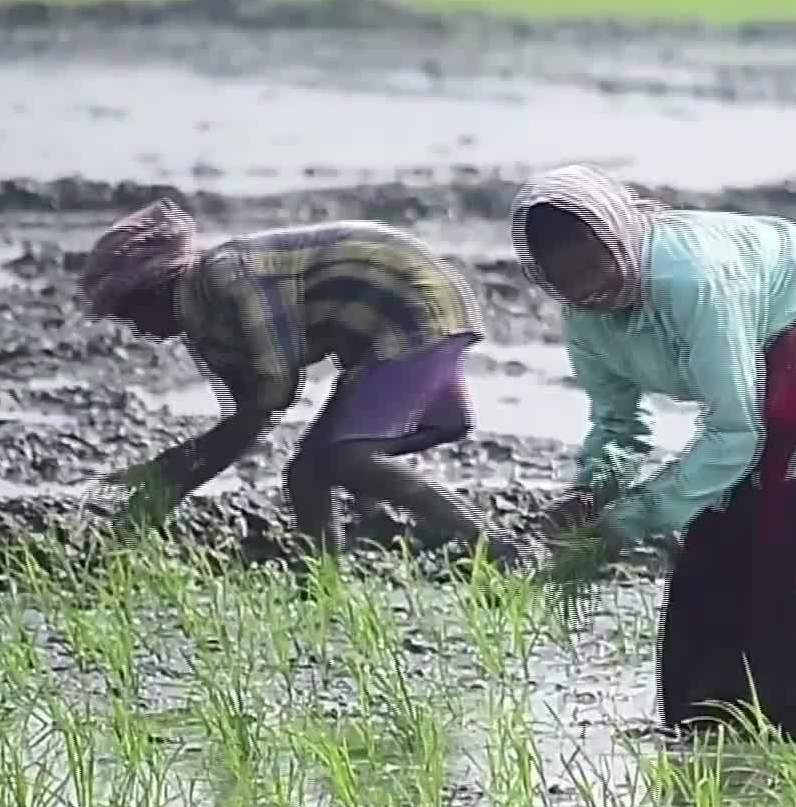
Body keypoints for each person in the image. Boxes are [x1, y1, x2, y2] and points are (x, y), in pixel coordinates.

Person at [510, 164, 796, 744]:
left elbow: (733, 436)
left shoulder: (689, 278)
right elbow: (619, 423)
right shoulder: (586, 320)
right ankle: (705, 734)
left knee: (795, 570)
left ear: (620, 234)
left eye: (595, 260)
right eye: (564, 277)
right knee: (711, 570)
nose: (588, 286)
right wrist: (591, 492)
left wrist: (624, 523)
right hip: (758, 397)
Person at [76, 199, 516, 565]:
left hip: (412, 306)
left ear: (153, 290)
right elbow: (243, 427)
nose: (131, 327)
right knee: (306, 473)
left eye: (128, 311)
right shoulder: (204, 333)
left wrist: (174, 467)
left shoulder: (230, 277)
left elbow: (277, 390)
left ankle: (497, 545)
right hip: (379, 331)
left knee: (343, 456)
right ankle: (322, 583)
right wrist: (165, 486)